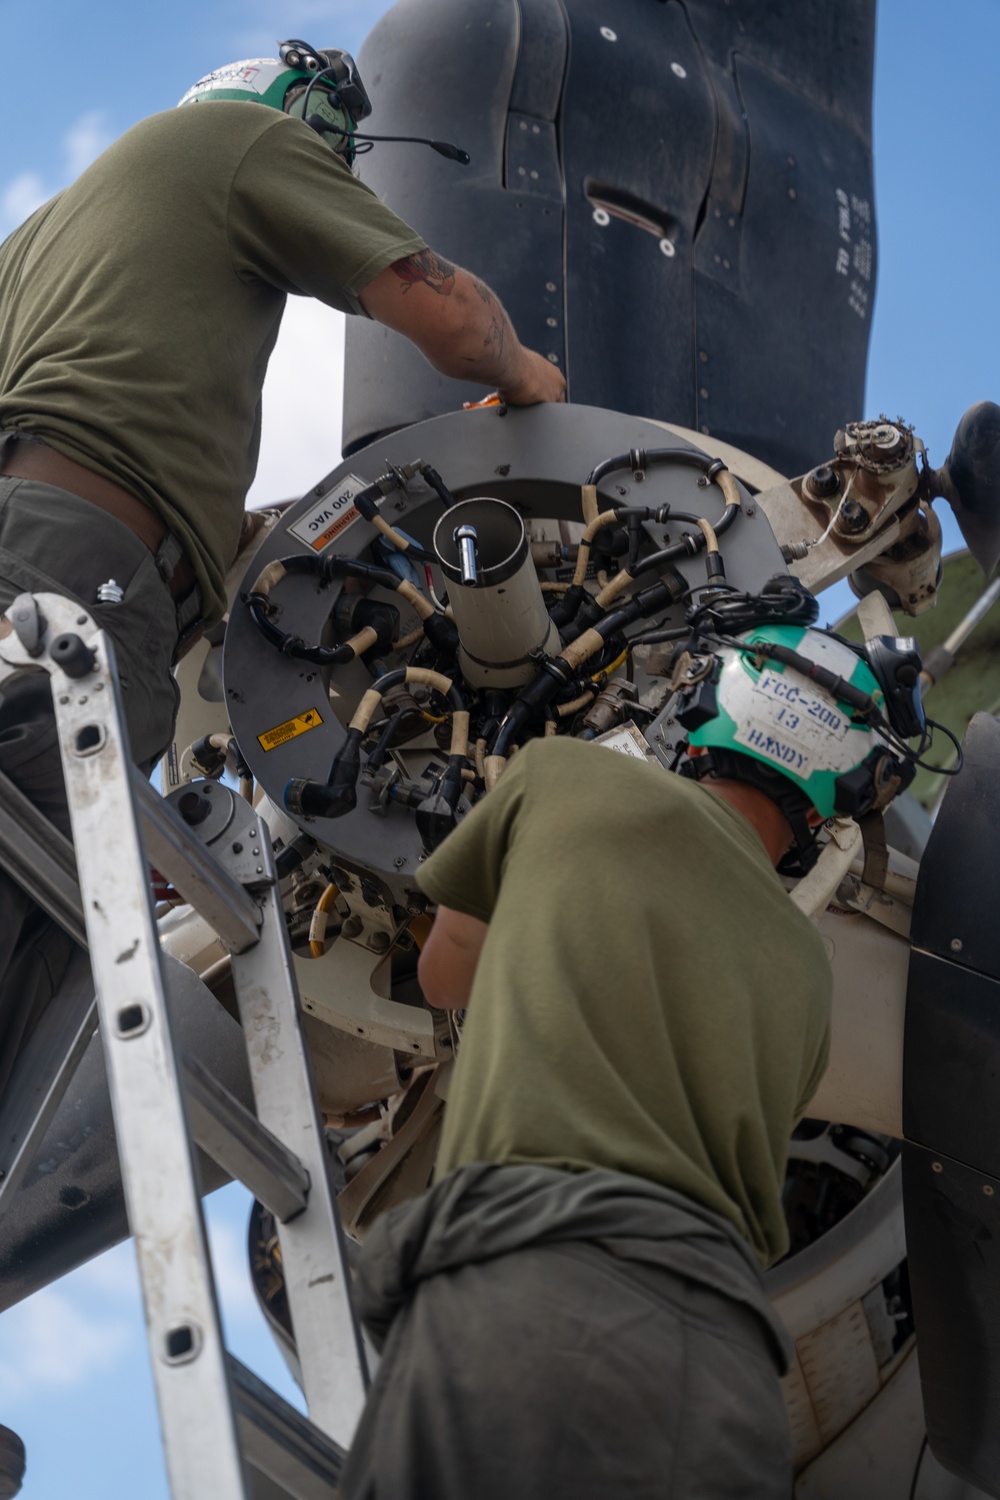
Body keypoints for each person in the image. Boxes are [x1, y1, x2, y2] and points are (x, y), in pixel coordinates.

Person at [0, 40, 564, 1097]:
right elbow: (444, 314)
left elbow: (77, 424)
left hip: (37, 555)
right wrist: (530, 376)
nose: (337, 174)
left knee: (34, 939)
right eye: (336, 154)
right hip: (83, 577)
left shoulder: (41, 241)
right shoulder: (242, 139)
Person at [339, 618, 919, 1499]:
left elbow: (443, 977)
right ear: (847, 787)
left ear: (702, 702)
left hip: (521, 1304)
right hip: (723, 1376)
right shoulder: (811, 978)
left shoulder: (563, 778)